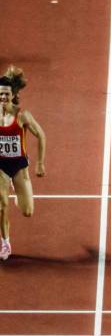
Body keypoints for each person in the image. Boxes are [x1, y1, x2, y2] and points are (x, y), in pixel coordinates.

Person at [0, 66, 46, 261]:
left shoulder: (22, 116)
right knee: (2, 205)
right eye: (0, 94)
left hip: (19, 166)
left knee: (27, 211)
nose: (3, 97)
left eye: (6, 94)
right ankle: (6, 243)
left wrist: (40, 163)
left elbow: (41, 136)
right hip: (0, 166)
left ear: (13, 94)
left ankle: (18, 190)